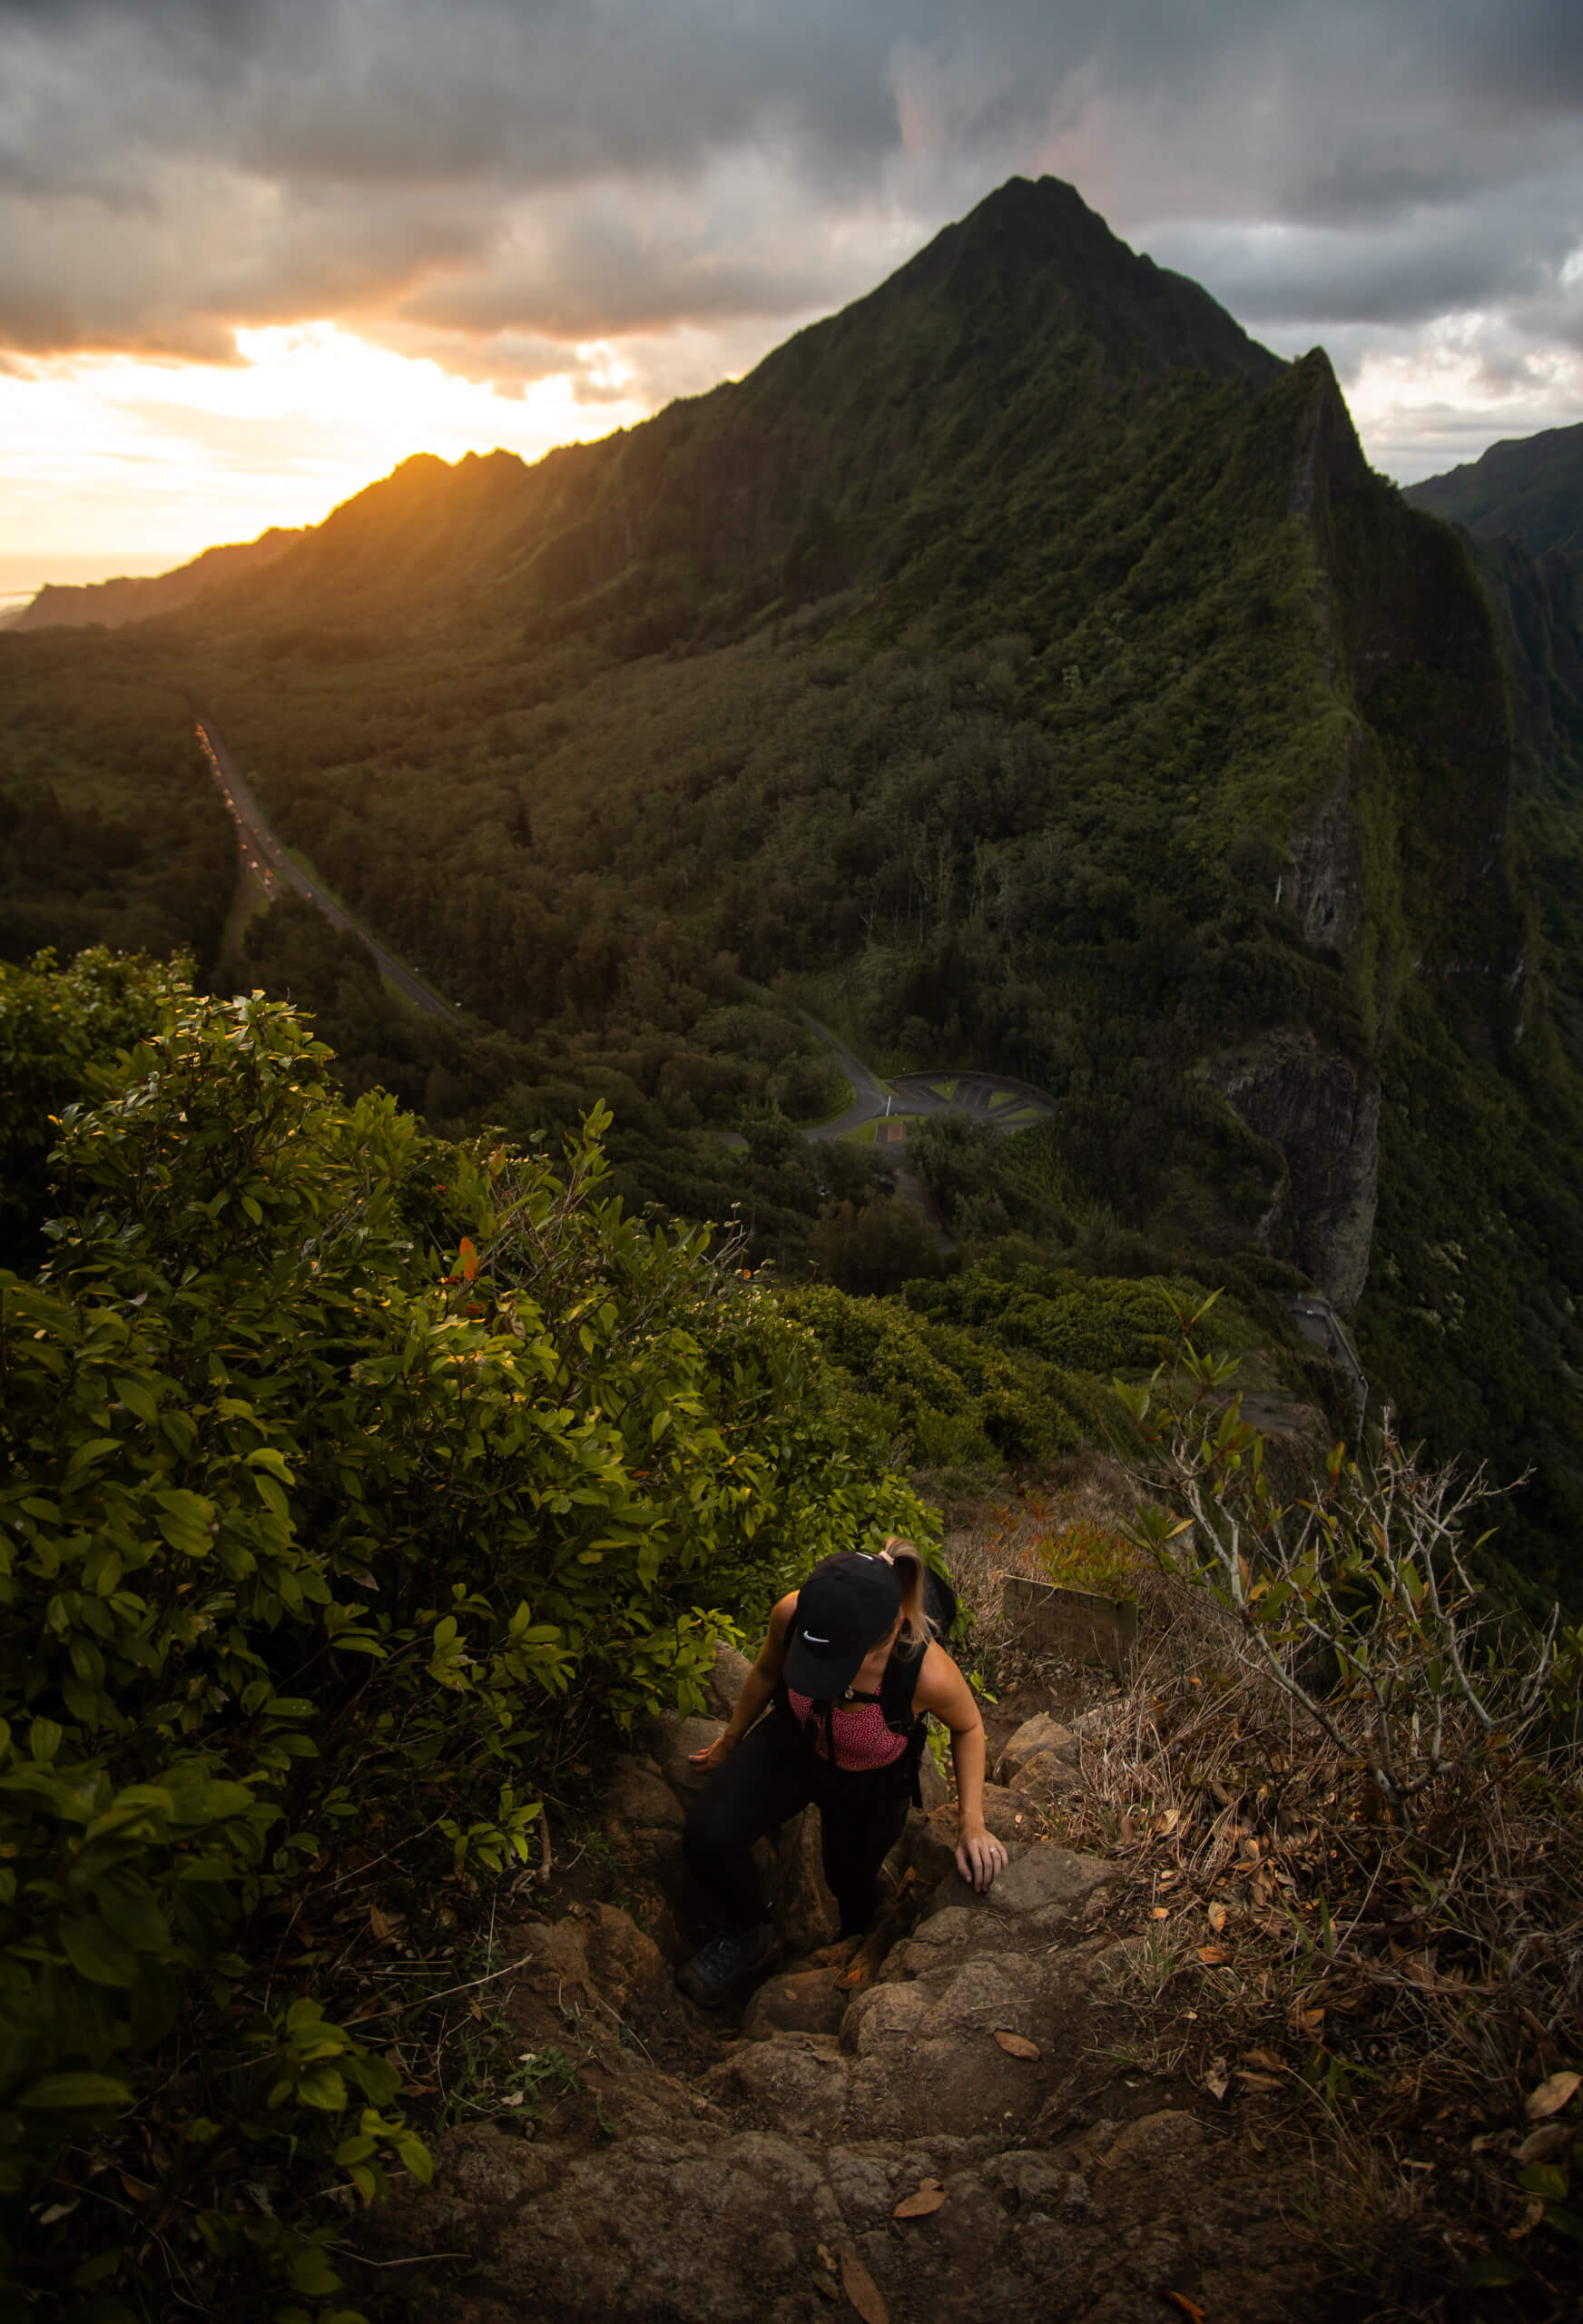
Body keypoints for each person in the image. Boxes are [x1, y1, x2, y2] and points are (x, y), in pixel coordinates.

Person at [676, 1539, 1008, 2005]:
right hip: (794, 1743)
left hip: (871, 1785)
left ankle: (858, 1941)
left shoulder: (924, 1670)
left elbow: (970, 1727)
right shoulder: (792, 1614)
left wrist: (973, 1823)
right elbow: (769, 1671)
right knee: (708, 1835)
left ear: (892, 1631)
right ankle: (749, 1930)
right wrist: (729, 1742)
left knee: (849, 1883)